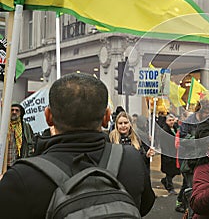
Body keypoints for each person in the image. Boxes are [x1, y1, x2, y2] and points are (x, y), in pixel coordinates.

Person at [0, 73, 155, 218]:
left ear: (48, 117)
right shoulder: (131, 159)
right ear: (107, 117)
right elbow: (145, 205)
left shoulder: (20, 177)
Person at [5, 103, 35, 169]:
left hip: (19, 163)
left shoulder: (25, 127)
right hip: (4, 163)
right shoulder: (4, 125)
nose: (14, 112)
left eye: (17, 110)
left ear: (20, 113)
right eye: (12, 110)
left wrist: (28, 156)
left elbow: (31, 143)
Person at [160, 113, 181, 195]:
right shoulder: (165, 130)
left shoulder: (175, 128)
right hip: (168, 154)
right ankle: (170, 188)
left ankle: (165, 180)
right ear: (166, 121)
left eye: (172, 120)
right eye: (169, 120)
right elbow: (164, 144)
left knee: (175, 171)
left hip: (175, 153)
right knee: (169, 172)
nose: (171, 122)